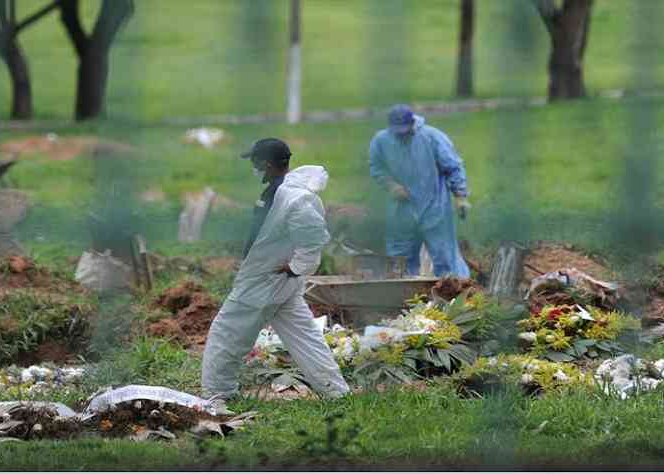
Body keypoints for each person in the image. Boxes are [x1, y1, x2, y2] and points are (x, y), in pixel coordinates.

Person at [201, 138, 350, 400]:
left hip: (265, 282)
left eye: (256, 163)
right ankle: (335, 392)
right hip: (278, 281)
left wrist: (296, 267)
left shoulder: (293, 198)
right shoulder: (276, 191)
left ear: (267, 164)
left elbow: (313, 237)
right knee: (304, 337)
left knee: (226, 333)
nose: (253, 168)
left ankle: (217, 394)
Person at [369, 104, 471, 278]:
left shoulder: (432, 137)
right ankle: (403, 297)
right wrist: (391, 185)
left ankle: (457, 294)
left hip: (434, 207)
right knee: (399, 259)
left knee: (445, 255)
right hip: (401, 210)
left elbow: (453, 166)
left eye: (405, 130)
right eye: (397, 131)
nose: (401, 135)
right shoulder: (381, 141)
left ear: (413, 123)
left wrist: (460, 196)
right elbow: (376, 167)